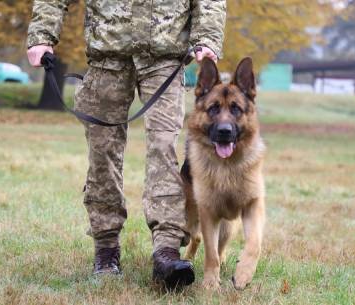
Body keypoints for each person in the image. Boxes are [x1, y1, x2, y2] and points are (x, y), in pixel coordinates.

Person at [27, 0, 226, 288]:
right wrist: (42, 36)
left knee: (164, 149)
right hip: (107, 59)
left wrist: (207, 37)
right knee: (102, 155)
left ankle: (167, 251)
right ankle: (106, 251)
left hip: (165, 59)